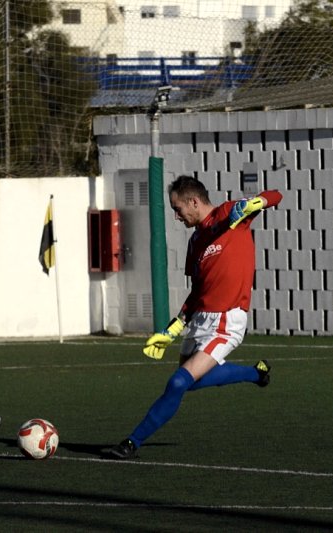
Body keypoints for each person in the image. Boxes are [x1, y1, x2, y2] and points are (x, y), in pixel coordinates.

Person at [107, 175, 282, 460]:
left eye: (177, 209)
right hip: (200, 320)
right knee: (191, 382)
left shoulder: (228, 215)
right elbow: (197, 292)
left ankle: (131, 443)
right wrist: (172, 329)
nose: (177, 216)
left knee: (177, 383)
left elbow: (275, 195)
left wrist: (254, 204)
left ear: (194, 201)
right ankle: (256, 373)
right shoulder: (195, 242)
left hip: (227, 320)